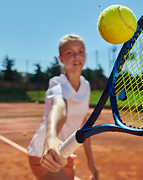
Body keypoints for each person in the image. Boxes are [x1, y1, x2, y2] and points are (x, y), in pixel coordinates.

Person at [28, 34, 99, 180]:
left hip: (65, 151)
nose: (76, 56)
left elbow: (83, 124)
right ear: (60, 58)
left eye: (81, 51)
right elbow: (59, 107)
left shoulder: (85, 86)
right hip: (45, 153)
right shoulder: (57, 84)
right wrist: (51, 137)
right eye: (69, 53)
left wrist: (90, 162)